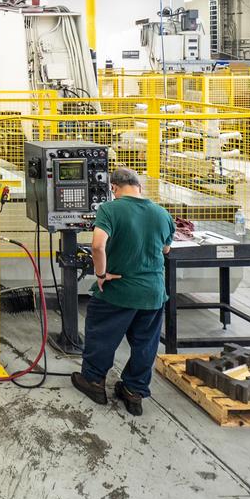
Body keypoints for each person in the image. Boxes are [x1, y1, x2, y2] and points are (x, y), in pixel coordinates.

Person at [70, 167, 173, 416]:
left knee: (101, 334)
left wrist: (102, 274)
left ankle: (94, 382)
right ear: (139, 187)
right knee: (145, 345)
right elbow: (166, 250)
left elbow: (97, 245)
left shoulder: (110, 209)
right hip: (153, 292)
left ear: (113, 188)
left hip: (119, 290)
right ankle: (134, 393)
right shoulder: (161, 213)